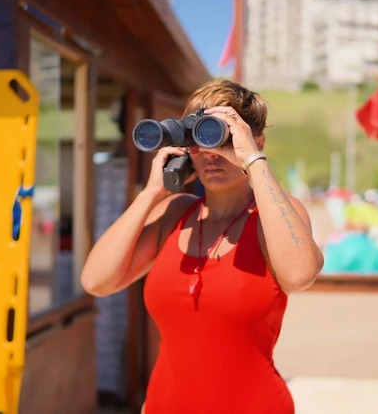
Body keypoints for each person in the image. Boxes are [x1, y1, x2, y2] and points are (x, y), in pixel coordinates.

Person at [80, 79, 323, 414]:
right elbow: (96, 280)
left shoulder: (276, 217)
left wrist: (253, 160)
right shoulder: (174, 214)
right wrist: (153, 192)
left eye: (221, 138)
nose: (210, 154)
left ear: (256, 141)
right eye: (199, 140)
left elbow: (299, 273)